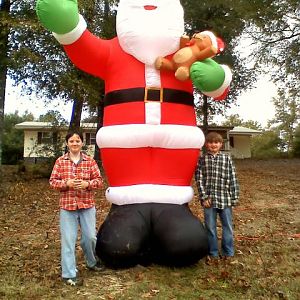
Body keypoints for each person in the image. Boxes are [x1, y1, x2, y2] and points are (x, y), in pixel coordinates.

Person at [49, 131, 104, 286]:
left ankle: (91, 262)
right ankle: (69, 274)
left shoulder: (90, 161)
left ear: (82, 143)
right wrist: (66, 183)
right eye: (71, 141)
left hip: (87, 205)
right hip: (67, 207)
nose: (74, 143)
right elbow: (53, 182)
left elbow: (99, 181)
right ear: (67, 143)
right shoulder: (60, 162)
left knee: (90, 237)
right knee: (68, 240)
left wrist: (88, 184)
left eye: (77, 141)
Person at [195, 132, 240, 264]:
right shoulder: (202, 160)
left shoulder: (227, 159)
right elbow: (199, 179)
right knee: (210, 227)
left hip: (225, 199)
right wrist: (204, 197)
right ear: (206, 144)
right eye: (210, 142)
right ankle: (213, 252)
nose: (213, 144)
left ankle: (228, 252)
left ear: (221, 144)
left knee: (228, 226)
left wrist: (234, 196)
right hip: (209, 200)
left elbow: (233, 178)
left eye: (216, 142)